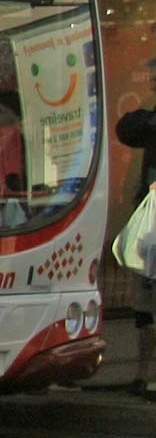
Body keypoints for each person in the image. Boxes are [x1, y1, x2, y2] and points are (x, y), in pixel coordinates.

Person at [113, 85, 156, 402]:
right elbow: (127, 129)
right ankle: (143, 375)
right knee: (145, 306)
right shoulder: (149, 119)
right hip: (150, 224)